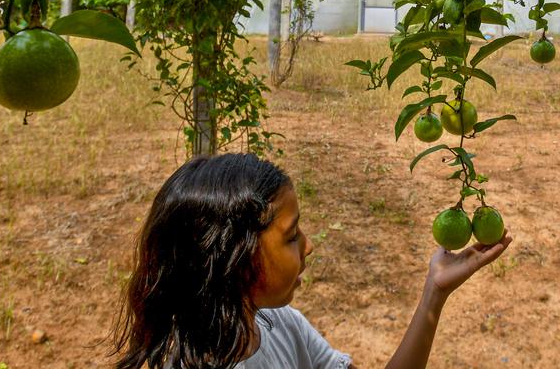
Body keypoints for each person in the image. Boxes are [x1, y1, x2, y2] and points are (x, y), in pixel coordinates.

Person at [114, 152, 512, 369]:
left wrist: (434, 293)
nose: (308, 246)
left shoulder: (278, 324)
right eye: (290, 237)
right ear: (231, 258)